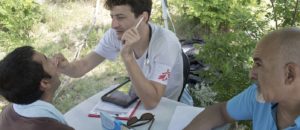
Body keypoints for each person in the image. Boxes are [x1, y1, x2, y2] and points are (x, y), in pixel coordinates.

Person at [55, 0, 185, 109]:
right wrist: (65, 67)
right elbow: (83, 66)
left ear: (143, 18)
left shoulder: (165, 43)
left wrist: (128, 58)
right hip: (140, 98)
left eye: (120, 17)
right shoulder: (115, 35)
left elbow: (152, 102)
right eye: (112, 17)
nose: (114, 25)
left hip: (169, 105)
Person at [184, 27, 300, 130]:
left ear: (289, 74)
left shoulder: (267, 94)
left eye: (259, 64)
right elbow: (220, 112)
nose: (251, 74)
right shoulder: (261, 96)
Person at [0, 46, 74, 130]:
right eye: (47, 60)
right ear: (45, 83)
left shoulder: (7, 112)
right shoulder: (53, 127)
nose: (54, 61)